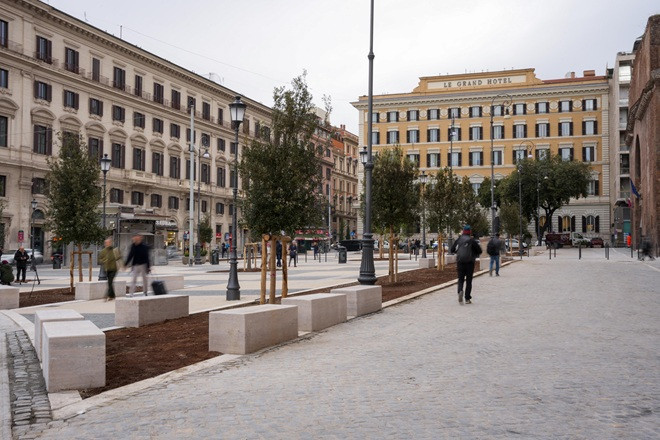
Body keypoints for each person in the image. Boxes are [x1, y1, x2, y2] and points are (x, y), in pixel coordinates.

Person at [450, 225, 482, 305]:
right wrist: (474, 254)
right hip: (470, 263)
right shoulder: (472, 240)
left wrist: (456, 252)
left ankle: (460, 290)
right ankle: (467, 298)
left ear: (463, 231)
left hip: (460, 262)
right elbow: (479, 250)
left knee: (460, 279)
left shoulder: (459, 239)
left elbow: (452, 249)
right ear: (469, 232)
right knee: (469, 280)